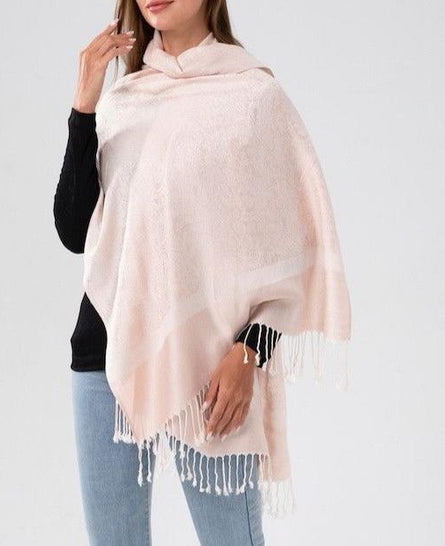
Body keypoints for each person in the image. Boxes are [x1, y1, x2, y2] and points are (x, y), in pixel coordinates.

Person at [54, 0, 351, 544]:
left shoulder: (253, 99)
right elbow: (74, 232)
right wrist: (84, 105)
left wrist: (250, 351)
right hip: (104, 356)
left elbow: (290, 247)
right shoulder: (123, 101)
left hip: (212, 366)